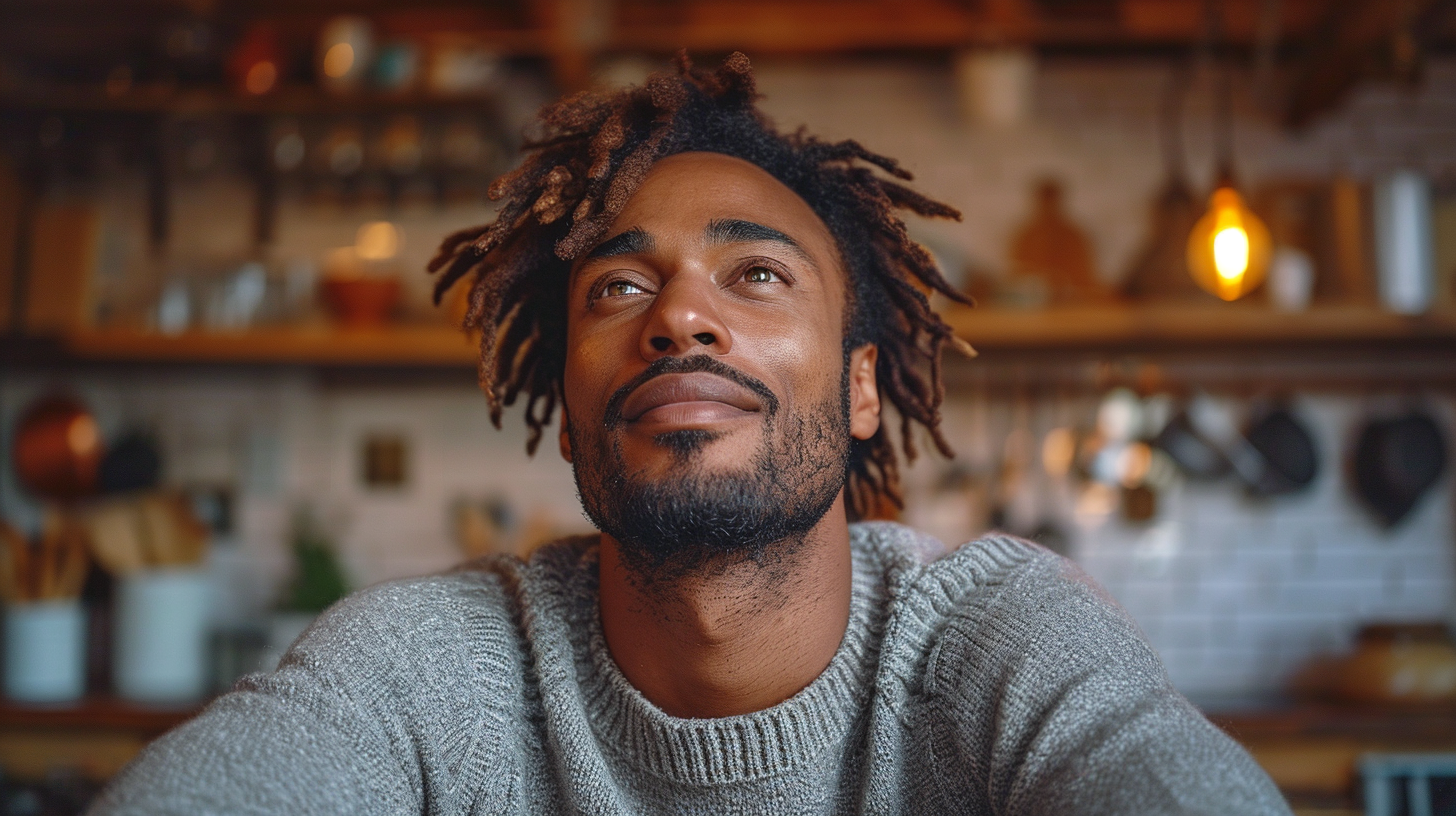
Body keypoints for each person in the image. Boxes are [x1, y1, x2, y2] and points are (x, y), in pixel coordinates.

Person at [91, 53, 1290, 815]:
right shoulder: (425, 672)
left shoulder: (997, 644)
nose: (680, 318)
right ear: (567, 414)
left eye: (756, 274)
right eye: (616, 289)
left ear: (862, 389)